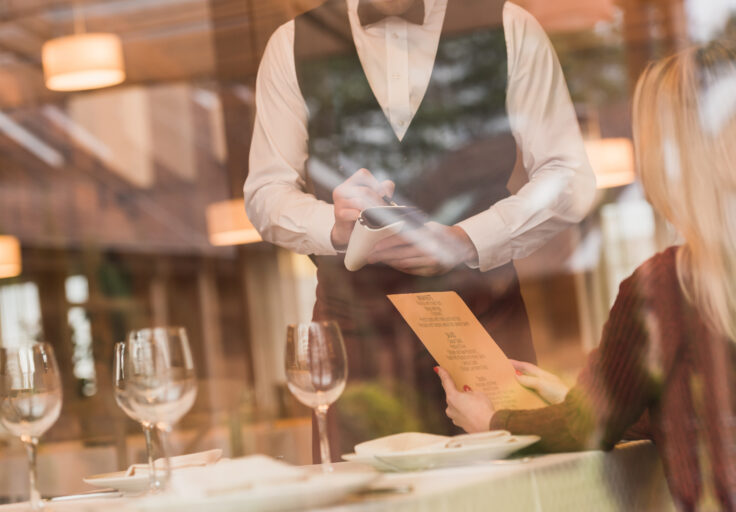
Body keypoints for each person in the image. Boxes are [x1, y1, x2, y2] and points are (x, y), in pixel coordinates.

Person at [246, 0, 595, 455]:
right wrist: (335, 229)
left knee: (505, 490)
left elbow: (569, 178)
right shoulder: (291, 45)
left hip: (483, 322)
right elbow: (265, 193)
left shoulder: (509, 26)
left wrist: (467, 240)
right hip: (355, 337)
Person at [436, 41, 736, 510]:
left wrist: (492, 420)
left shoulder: (667, 285)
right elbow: (692, 412)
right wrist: (577, 396)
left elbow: (585, 429)